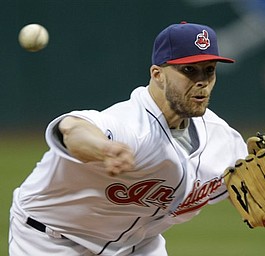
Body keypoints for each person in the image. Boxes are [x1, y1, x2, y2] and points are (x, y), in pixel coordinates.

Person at [9, 22, 248, 255]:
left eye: (209, 70)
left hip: (136, 244)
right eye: (189, 70)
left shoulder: (222, 138)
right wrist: (104, 148)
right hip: (51, 238)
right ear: (158, 75)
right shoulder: (131, 124)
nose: (202, 82)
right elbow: (73, 130)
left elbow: (254, 185)